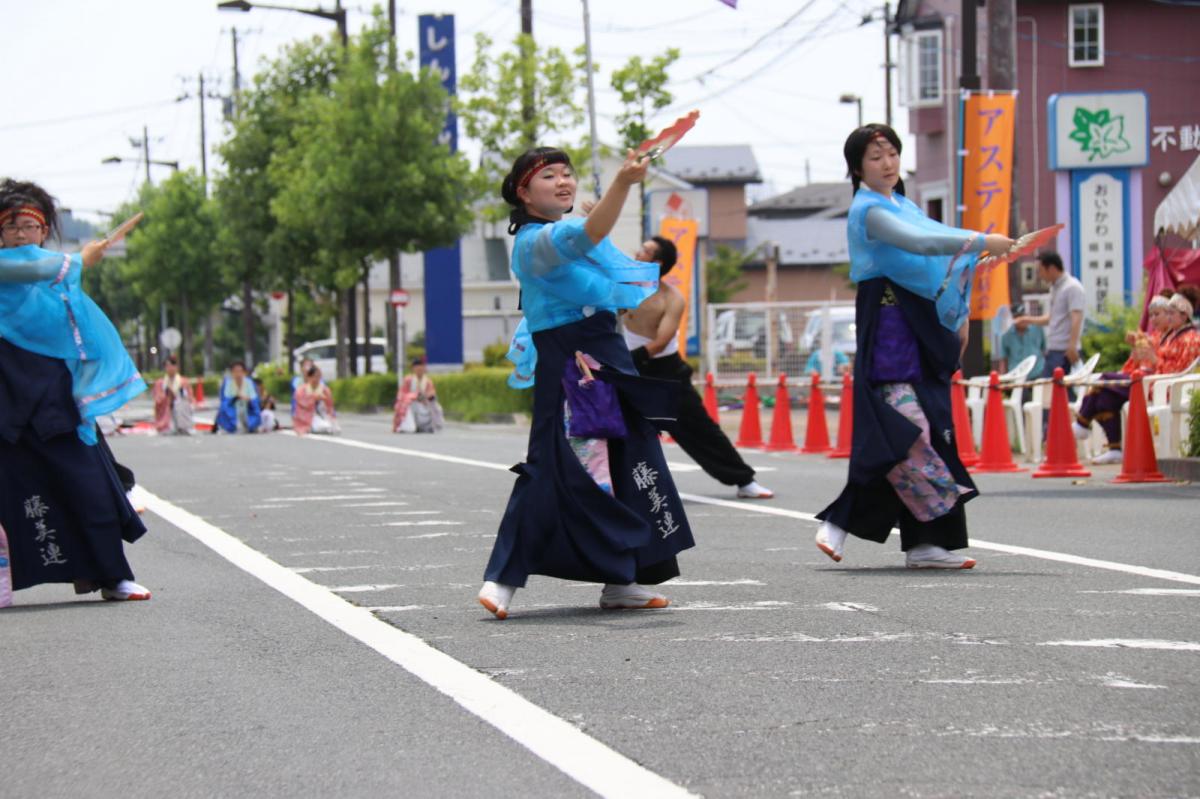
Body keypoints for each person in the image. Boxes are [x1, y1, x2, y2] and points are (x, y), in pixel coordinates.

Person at [478, 146, 695, 619]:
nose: (563, 181)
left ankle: (622, 580)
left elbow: (597, 246)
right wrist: (623, 184)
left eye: (567, 173)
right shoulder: (535, 243)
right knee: (558, 466)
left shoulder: (571, 236)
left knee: (631, 458)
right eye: (549, 176)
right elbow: (588, 232)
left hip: (609, 358)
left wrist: (611, 203)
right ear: (523, 192)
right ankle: (503, 577)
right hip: (569, 365)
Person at [813, 125, 1013, 570]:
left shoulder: (903, 204)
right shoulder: (868, 210)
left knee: (931, 431)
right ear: (857, 167)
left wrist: (957, 317)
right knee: (906, 431)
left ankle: (925, 545)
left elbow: (940, 252)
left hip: (923, 325)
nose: (887, 163)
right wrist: (980, 240)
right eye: (875, 156)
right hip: (890, 330)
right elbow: (922, 244)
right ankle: (843, 522)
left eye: (891, 153)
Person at [0, 179, 149, 605]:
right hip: (8, 392)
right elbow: (42, 268)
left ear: (44, 229)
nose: (22, 235)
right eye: (11, 228)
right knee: (13, 490)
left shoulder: (51, 267)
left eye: (30, 227)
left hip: (53, 392)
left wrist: (78, 263)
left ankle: (108, 575)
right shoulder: (13, 266)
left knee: (86, 481)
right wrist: (83, 258)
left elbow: (56, 282)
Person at [623, 234, 773, 499]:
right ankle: (611, 486)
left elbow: (659, 343)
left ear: (657, 263)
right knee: (613, 425)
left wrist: (625, 359)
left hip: (663, 372)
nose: (637, 253)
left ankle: (744, 480)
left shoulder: (672, 299)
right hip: (630, 370)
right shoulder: (624, 284)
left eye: (644, 251)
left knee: (699, 430)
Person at [1072, 295, 1176, 464]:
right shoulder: (1153, 338)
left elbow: (1175, 371)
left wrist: (1154, 359)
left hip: (1155, 387)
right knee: (1104, 399)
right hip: (1138, 382)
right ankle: (1114, 449)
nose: (1154, 319)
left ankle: (1082, 422)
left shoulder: (1179, 339)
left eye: (1158, 314)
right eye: (1152, 315)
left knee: (1104, 379)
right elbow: (1131, 368)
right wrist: (1135, 349)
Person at [1014, 252, 1085, 383]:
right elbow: (1052, 318)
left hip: (1065, 351)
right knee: (1048, 394)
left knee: (1063, 395)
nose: (1039, 275)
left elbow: (1076, 317)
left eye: (1040, 270)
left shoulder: (1073, 287)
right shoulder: (1055, 288)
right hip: (1054, 349)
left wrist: (1072, 346)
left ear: (1051, 268)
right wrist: (1028, 320)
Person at [393, 357, 444, 433]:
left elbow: (431, 392)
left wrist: (426, 396)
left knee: (436, 407)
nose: (419, 371)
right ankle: (408, 427)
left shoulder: (427, 381)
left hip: (424, 403)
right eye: (417, 369)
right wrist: (413, 396)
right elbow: (402, 394)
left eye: (421, 369)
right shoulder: (408, 380)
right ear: (413, 369)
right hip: (410, 403)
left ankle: (429, 426)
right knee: (409, 406)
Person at [998, 303, 1045, 376]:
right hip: (1016, 376)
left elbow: (1044, 350)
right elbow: (1003, 359)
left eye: (1023, 316)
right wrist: (1002, 377)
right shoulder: (1006, 334)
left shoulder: (1037, 329)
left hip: (1037, 373)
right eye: (1018, 317)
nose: (1021, 320)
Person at [215, 361, 262, 433]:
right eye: (235, 371)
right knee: (223, 409)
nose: (238, 374)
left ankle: (249, 425)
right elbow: (225, 400)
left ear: (244, 373)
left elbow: (255, 399)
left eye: (240, 371)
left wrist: (247, 399)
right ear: (232, 373)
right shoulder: (228, 383)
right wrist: (235, 397)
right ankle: (233, 426)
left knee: (256, 411)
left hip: (248, 408)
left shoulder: (249, 383)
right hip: (232, 409)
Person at [152, 355, 195, 435]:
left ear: (176, 367)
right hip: (166, 408)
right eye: (167, 366)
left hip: (180, 407)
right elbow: (157, 398)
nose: (170, 368)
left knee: (181, 404)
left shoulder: (184, 381)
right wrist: (167, 396)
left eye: (172, 365)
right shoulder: (160, 383)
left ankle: (183, 426)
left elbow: (190, 397)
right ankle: (165, 425)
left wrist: (179, 395)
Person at [293, 365, 339, 435]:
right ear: (309, 377)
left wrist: (324, 399)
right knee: (322, 426)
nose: (316, 379)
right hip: (307, 415)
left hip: (322, 414)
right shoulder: (301, 390)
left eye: (318, 377)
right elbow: (301, 404)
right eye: (314, 376)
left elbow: (330, 406)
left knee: (333, 427)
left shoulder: (325, 389)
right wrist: (313, 398)